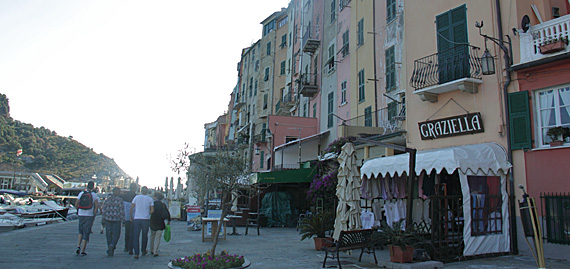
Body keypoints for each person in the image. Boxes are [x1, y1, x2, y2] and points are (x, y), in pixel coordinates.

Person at [75, 181, 100, 256]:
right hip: (89, 215)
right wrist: (94, 214)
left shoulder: (81, 193)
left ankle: (78, 246)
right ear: (93, 187)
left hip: (81, 214)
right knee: (86, 232)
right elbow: (96, 206)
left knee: (80, 231)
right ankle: (83, 250)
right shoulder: (94, 195)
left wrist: (78, 211)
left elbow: (76, 204)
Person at [130, 186, 154, 259]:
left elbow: (131, 208)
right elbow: (152, 211)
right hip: (145, 219)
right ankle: (143, 250)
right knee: (144, 235)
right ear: (147, 192)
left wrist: (131, 216)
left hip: (137, 218)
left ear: (140, 191)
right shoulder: (150, 199)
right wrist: (147, 213)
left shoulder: (136, 198)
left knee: (136, 236)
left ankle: (136, 253)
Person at [102, 187, 124, 256]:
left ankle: (109, 246)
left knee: (108, 234)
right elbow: (121, 211)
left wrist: (103, 220)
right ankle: (112, 244)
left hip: (108, 219)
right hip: (116, 219)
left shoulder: (107, 200)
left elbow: (104, 210)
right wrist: (123, 220)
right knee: (116, 234)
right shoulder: (120, 200)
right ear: (117, 192)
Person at [149, 192, 170, 256]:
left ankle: (151, 249)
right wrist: (169, 220)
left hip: (153, 221)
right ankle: (155, 251)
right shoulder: (163, 205)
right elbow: (167, 213)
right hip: (160, 222)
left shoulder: (153, 204)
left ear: (156, 197)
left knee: (152, 236)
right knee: (158, 237)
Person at [122, 183, 138, 255]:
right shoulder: (136, 197)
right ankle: (131, 247)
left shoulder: (124, 196)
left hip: (126, 216)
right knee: (133, 233)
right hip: (134, 216)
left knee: (127, 232)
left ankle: (126, 247)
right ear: (135, 188)